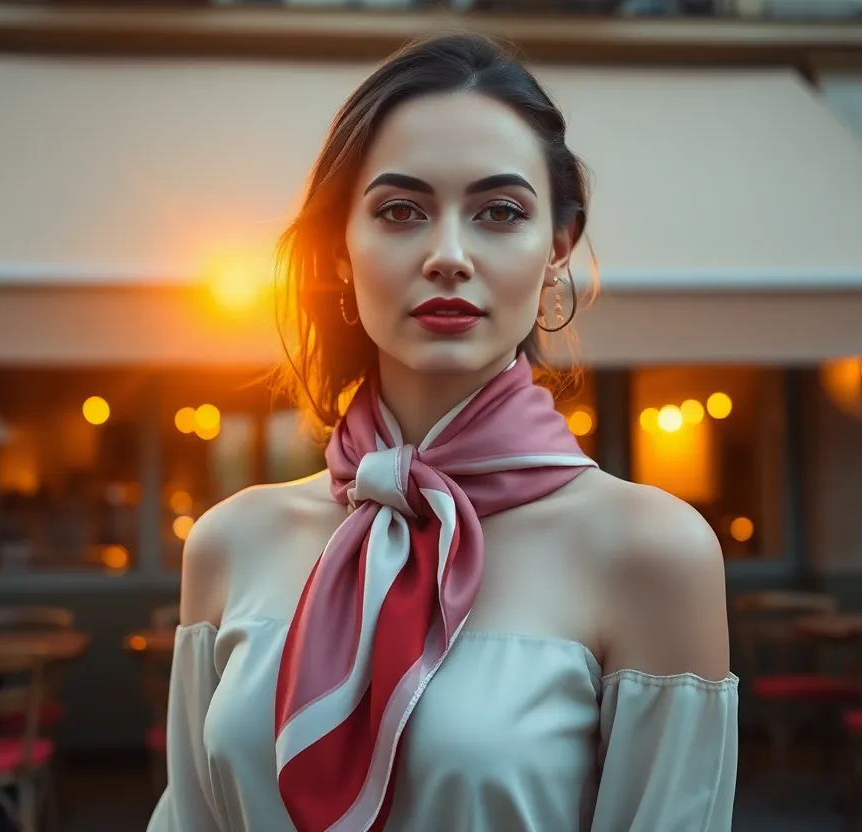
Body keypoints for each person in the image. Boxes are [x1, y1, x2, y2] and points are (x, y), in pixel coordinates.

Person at [148, 32, 738, 832]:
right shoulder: (232, 542)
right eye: (401, 211)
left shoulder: (653, 554)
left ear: (556, 249)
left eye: (500, 212)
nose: (449, 255)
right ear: (337, 253)